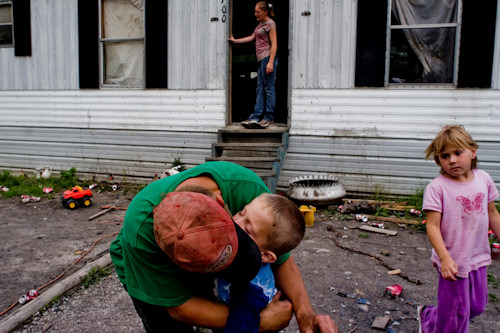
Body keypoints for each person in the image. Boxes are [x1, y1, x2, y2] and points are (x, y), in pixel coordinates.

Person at [110, 161, 338, 333]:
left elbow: (281, 259)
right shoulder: (141, 232)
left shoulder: (249, 195)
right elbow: (179, 307)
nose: (242, 220)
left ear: (220, 202)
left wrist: (305, 312)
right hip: (148, 271)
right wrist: (260, 323)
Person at [418, 125, 500, 332]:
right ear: (439, 161)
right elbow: (433, 226)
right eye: (445, 156)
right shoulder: (437, 188)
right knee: (455, 314)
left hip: (478, 255)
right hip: (453, 260)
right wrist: (444, 258)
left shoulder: (484, 179)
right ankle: (436, 325)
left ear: (473, 152)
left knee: (477, 306)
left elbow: (492, 213)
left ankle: (428, 316)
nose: (452, 160)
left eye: (457, 152)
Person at [213, 192, 306, 333]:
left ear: (266, 256)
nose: (236, 222)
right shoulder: (243, 255)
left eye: (248, 229)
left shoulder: (250, 289)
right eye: (241, 212)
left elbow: (241, 327)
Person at [229, 1, 277, 129]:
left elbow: (274, 44)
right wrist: (235, 41)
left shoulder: (270, 24)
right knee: (259, 89)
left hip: (267, 58)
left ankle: (268, 117)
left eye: (258, 12)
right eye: (255, 11)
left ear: (265, 12)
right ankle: (255, 117)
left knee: (268, 88)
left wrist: (271, 62)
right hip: (261, 59)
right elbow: (251, 37)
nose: (255, 14)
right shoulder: (260, 24)